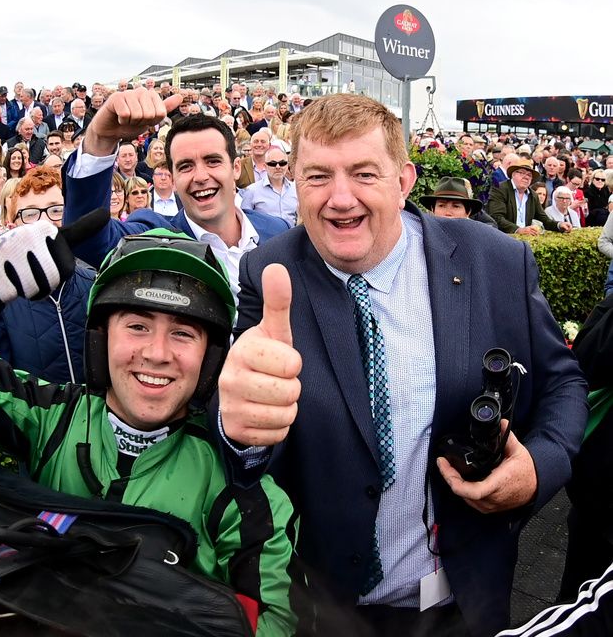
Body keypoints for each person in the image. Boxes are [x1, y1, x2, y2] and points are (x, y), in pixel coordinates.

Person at [216, 93, 587, 637]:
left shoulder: (496, 260)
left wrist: (540, 465)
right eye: (318, 176)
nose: (340, 199)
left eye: (364, 173)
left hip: (467, 598)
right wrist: (240, 430)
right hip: (327, 609)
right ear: (294, 181)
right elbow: (247, 423)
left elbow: (563, 384)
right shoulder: (269, 273)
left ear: (404, 179)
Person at [0, 223, 299, 636]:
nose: (156, 353)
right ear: (100, 338)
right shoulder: (50, 417)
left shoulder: (247, 498)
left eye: (183, 333)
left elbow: (275, 622)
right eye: (137, 326)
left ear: (211, 358)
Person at [63, 88, 289, 296]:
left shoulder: (278, 232)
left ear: (236, 168)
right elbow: (88, 239)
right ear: (172, 178)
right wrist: (100, 139)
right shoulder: (156, 238)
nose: (200, 177)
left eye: (212, 161)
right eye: (185, 166)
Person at [0, 168, 94, 384]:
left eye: (56, 210)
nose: (44, 222)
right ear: (12, 225)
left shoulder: (95, 285)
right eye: (31, 214)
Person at [488, 159, 572, 235]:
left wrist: (559, 225)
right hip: (503, 237)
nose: (526, 177)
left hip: (525, 240)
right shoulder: (500, 189)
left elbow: (544, 218)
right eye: (522, 173)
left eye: (529, 175)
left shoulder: (533, 195)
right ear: (513, 174)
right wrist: (518, 230)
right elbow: (496, 216)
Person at [240, 147, 298, 227]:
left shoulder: (295, 189)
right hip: (266, 239)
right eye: (272, 164)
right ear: (265, 166)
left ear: (287, 165)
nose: (278, 167)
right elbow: (245, 222)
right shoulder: (252, 191)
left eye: (282, 163)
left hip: (293, 237)